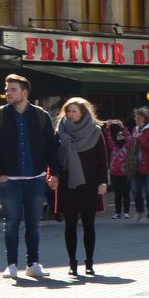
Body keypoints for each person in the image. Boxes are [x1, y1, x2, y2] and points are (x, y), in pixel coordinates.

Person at [0, 74, 59, 280]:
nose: (8, 93)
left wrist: (55, 173)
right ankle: (11, 264)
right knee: (12, 222)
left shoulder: (41, 116)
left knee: (34, 222)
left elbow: (51, 147)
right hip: (10, 179)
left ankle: (33, 263)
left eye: (13, 89)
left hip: (36, 177)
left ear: (25, 93)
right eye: (7, 89)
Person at [52, 97, 109, 279]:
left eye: (74, 111)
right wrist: (52, 176)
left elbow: (102, 160)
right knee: (69, 225)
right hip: (67, 183)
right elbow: (53, 159)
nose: (70, 114)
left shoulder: (95, 131)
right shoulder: (60, 132)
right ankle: (72, 264)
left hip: (89, 183)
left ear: (83, 113)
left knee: (88, 225)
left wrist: (103, 182)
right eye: (68, 111)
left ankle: (89, 263)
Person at [130, 107, 149, 224]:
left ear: (145, 119)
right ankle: (139, 210)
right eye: (135, 116)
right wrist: (126, 138)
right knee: (135, 189)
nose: (136, 118)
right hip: (136, 163)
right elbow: (131, 145)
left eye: (139, 116)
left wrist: (139, 137)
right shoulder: (135, 129)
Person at [106, 119, 134, 220]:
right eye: (118, 135)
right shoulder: (113, 146)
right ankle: (117, 212)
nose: (120, 136)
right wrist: (108, 127)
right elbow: (108, 138)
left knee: (126, 194)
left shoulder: (127, 146)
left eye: (122, 135)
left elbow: (131, 139)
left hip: (124, 173)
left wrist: (122, 127)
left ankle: (126, 212)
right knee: (117, 194)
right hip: (114, 173)